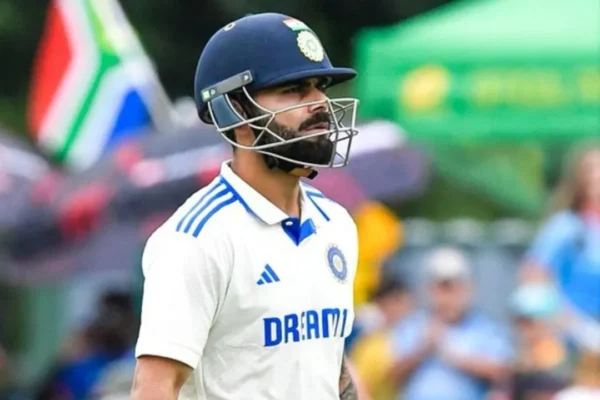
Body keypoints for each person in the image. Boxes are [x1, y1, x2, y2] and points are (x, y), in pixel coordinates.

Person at [131, 13, 361, 400]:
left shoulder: (336, 224)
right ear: (234, 111)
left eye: (319, 87)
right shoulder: (196, 240)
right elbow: (154, 388)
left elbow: (326, 365)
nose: (320, 103)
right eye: (294, 89)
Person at [389, 247, 513, 400]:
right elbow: (393, 375)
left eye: (454, 288)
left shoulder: (486, 328)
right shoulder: (412, 325)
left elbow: (501, 372)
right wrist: (423, 349)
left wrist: (452, 355)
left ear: (468, 289)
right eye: (442, 288)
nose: (448, 297)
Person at [521, 143, 600, 351]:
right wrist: (570, 324)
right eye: (593, 172)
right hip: (575, 339)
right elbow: (532, 275)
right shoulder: (566, 226)